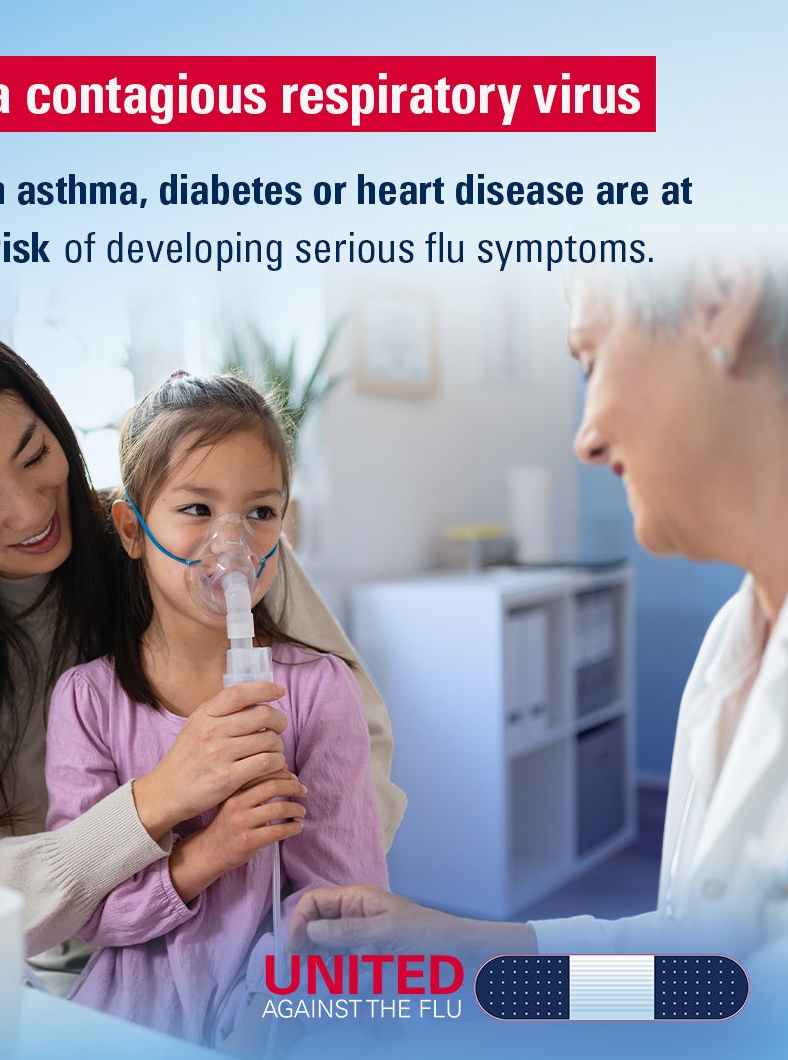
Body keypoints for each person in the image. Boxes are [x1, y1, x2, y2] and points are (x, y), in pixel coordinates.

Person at [0, 314, 405, 970]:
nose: (34, 511)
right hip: (80, 984)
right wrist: (156, 801)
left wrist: (300, 925)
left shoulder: (206, 549)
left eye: (35, 453)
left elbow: (360, 754)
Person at [289, 255, 788, 967]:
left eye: (591, 359)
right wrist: (460, 951)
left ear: (719, 297)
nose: (584, 439)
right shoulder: (733, 648)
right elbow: (696, 978)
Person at [44, 372, 387, 1045]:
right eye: (197, 509)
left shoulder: (318, 692)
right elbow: (87, 912)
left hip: (275, 1012)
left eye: (259, 513)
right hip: (129, 1017)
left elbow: (345, 911)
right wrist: (210, 853)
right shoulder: (87, 702)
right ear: (133, 530)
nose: (231, 542)